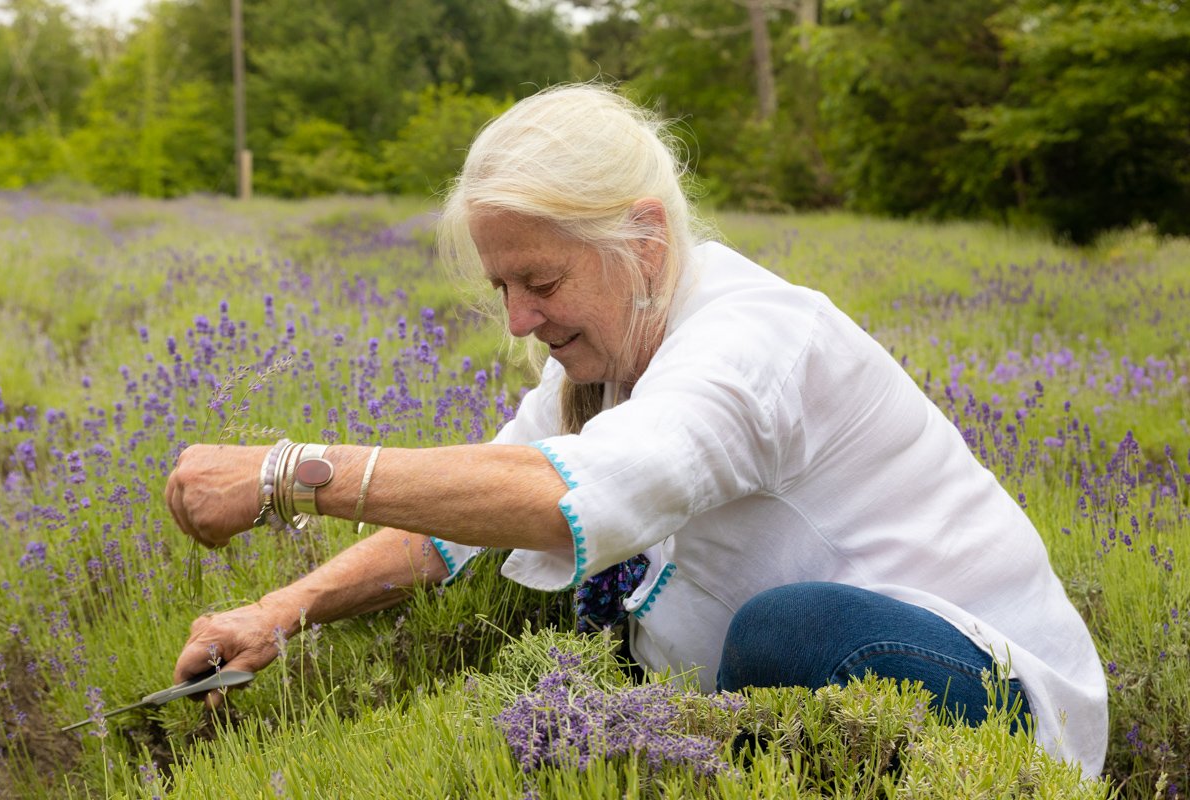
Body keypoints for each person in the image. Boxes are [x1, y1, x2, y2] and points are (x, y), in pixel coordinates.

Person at [164, 84, 1107, 775]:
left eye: (541, 282)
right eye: (503, 288)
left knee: (791, 629)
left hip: (992, 705)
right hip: (813, 701)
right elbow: (465, 514)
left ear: (644, 239)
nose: (519, 321)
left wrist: (290, 473)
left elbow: (571, 496)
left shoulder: (753, 342)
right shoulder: (603, 360)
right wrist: (280, 611)